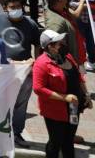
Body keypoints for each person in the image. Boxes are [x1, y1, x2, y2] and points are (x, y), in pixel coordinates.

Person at [33, 29, 91, 158]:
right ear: (50, 46)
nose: (63, 44)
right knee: (56, 142)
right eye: (59, 43)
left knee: (69, 140)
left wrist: (86, 96)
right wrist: (65, 98)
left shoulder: (68, 57)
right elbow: (38, 88)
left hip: (74, 108)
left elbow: (79, 77)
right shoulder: (41, 63)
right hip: (55, 111)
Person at [0, 0, 40, 148]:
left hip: (25, 71)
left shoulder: (30, 23)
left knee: (20, 104)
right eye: (12, 8)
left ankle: (16, 134)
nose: (16, 10)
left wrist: (36, 65)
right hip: (2, 72)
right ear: (6, 9)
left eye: (18, 7)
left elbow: (38, 45)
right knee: (1, 103)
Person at [42, 0, 82, 65]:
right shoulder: (55, 24)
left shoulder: (58, 9)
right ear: (59, 0)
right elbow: (54, 50)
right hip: (69, 63)